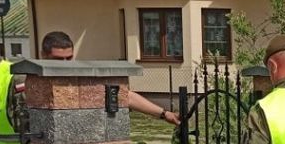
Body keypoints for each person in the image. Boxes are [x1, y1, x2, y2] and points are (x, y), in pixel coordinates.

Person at [40, 31, 180, 125]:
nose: (65, 64)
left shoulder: (82, 79)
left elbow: (124, 95)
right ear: (43, 55)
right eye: (58, 59)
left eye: (69, 58)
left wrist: (164, 114)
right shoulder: (32, 84)